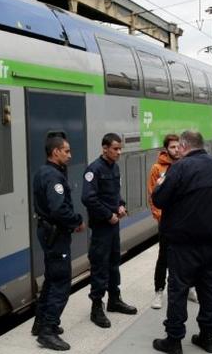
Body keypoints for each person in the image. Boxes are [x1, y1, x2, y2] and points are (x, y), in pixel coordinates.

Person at [151, 131, 212, 354]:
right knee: (210, 289)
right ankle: (208, 337)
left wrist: (159, 185)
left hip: (184, 244)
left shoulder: (180, 168)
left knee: (178, 290)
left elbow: (159, 198)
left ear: (184, 146)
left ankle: (174, 340)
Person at [31, 133, 85, 351]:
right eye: (67, 151)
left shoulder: (43, 172)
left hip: (47, 232)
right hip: (56, 235)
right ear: (55, 152)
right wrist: (77, 221)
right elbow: (58, 208)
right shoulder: (53, 176)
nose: (70, 155)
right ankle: (48, 331)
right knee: (61, 282)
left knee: (52, 278)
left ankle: (39, 323)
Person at [83, 133, 137, 329]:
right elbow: (88, 198)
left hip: (113, 225)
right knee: (100, 264)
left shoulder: (114, 168)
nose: (119, 152)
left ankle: (114, 299)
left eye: (120, 148)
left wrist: (121, 205)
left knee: (114, 262)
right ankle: (96, 307)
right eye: (115, 149)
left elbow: (115, 193)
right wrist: (108, 215)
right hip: (101, 227)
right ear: (104, 148)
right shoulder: (93, 170)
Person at [147, 134, 181, 309]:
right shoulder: (157, 169)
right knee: (164, 257)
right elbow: (153, 197)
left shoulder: (185, 165)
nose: (176, 149)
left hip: (183, 221)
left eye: (178, 146)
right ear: (166, 148)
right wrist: (161, 217)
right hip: (167, 222)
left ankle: (188, 287)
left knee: (184, 256)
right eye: (173, 147)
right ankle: (159, 291)